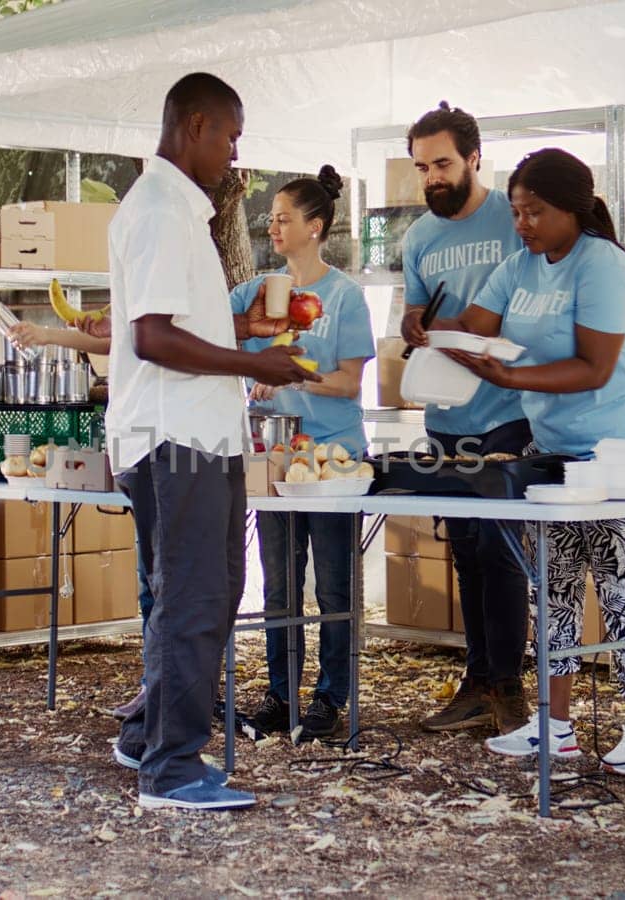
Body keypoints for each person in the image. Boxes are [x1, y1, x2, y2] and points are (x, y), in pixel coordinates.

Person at [106, 72, 317, 811]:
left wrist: (242, 334)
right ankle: (170, 767)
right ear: (194, 125)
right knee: (195, 598)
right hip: (177, 438)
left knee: (208, 593)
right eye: (230, 136)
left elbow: (175, 326)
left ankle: (146, 734)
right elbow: (155, 337)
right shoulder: (162, 210)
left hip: (194, 432)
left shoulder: (174, 210)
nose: (235, 153)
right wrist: (254, 362)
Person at [440, 147, 625, 776]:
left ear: (572, 207)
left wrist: (511, 372)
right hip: (556, 450)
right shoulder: (519, 266)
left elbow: (594, 368)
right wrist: (431, 328)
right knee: (558, 591)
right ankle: (555, 725)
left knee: (624, 589)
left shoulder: (604, 268)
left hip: (622, 447)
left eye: (535, 212)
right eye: (516, 212)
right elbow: (474, 324)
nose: (523, 224)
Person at [398, 102, 531, 735]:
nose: (432, 178)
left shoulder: (516, 218)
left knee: (502, 550)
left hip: (510, 410)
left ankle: (508, 687)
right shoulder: (419, 237)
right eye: (422, 167)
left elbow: (534, 310)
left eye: (443, 164)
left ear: (476, 158)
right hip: (445, 417)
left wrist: (460, 328)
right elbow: (418, 313)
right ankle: (478, 681)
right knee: (468, 553)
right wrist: (413, 324)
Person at [230, 167, 375, 741]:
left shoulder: (345, 298)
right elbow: (214, 333)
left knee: (335, 586)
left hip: (333, 461)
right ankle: (281, 694)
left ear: (315, 227)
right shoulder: (255, 293)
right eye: (270, 219)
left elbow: (347, 383)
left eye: (283, 219)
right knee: (279, 584)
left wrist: (289, 374)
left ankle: (331, 696)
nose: (273, 228)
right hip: (273, 457)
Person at [9, 318, 153, 721]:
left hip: (166, 448)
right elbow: (114, 340)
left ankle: (172, 690)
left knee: (167, 588)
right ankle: (154, 687)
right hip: (134, 449)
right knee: (149, 586)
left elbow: (125, 339)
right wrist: (48, 334)